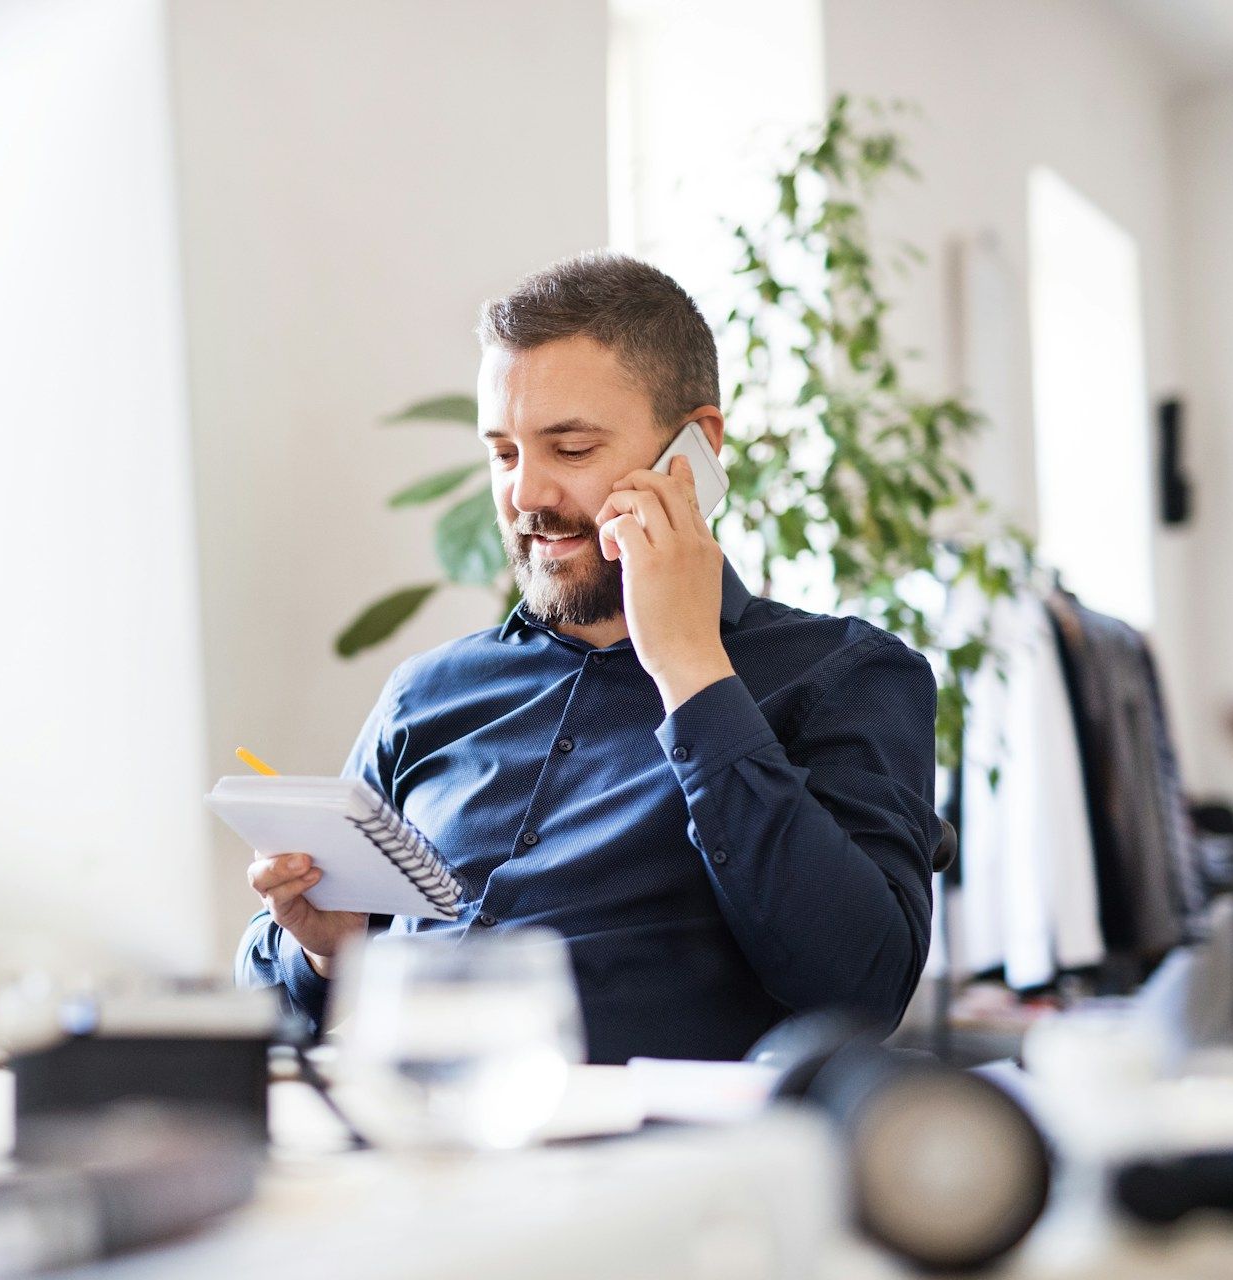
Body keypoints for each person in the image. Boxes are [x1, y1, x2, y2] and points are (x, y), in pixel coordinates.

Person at [236, 252, 939, 1063]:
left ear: (695, 451)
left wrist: (690, 670)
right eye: (504, 454)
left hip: (638, 1168)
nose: (525, 496)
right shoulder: (424, 695)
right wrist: (326, 951)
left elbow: (861, 989)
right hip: (391, 1145)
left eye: (569, 450)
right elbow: (260, 1020)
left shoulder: (842, 676)